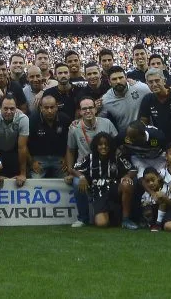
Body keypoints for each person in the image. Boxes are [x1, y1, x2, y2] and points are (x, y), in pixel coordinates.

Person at [64, 97, 118, 228]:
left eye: (90, 108)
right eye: (84, 109)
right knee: (77, 184)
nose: (88, 111)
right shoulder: (74, 128)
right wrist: (71, 171)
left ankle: (117, 215)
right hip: (84, 169)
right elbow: (70, 150)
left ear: (95, 109)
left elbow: (116, 145)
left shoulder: (107, 123)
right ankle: (83, 218)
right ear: (80, 112)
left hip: (105, 167)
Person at [71, 133, 135, 229]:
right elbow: (74, 168)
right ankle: (106, 216)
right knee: (102, 224)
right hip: (99, 194)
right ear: (96, 146)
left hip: (114, 192)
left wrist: (127, 176)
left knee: (127, 184)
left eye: (106, 144)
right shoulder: (90, 158)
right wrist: (82, 177)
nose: (103, 147)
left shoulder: (117, 157)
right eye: (100, 144)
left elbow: (132, 170)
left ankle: (126, 219)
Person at [0, 96, 29, 185]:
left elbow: (22, 147)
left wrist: (22, 174)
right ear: (0, 108)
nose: (9, 112)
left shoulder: (23, 119)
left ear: (16, 108)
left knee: (19, 181)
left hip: (14, 152)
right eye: (5, 109)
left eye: (12, 109)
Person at [99, 66, 151, 134]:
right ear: (109, 82)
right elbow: (100, 120)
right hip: (125, 138)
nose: (118, 81)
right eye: (114, 79)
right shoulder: (106, 100)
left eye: (121, 78)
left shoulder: (141, 88)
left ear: (126, 78)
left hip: (145, 134)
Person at [28, 95, 70, 178]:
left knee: (67, 181)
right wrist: (32, 162)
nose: (49, 111)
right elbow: (23, 145)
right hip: (39, 159)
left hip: (59, 158)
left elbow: (71, 143)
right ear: (41, 108)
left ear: (56, 107)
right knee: (34, 182)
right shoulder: (32, 120)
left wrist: (67, 159)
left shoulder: (65, 119)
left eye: (52, 107)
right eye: (46, 108)